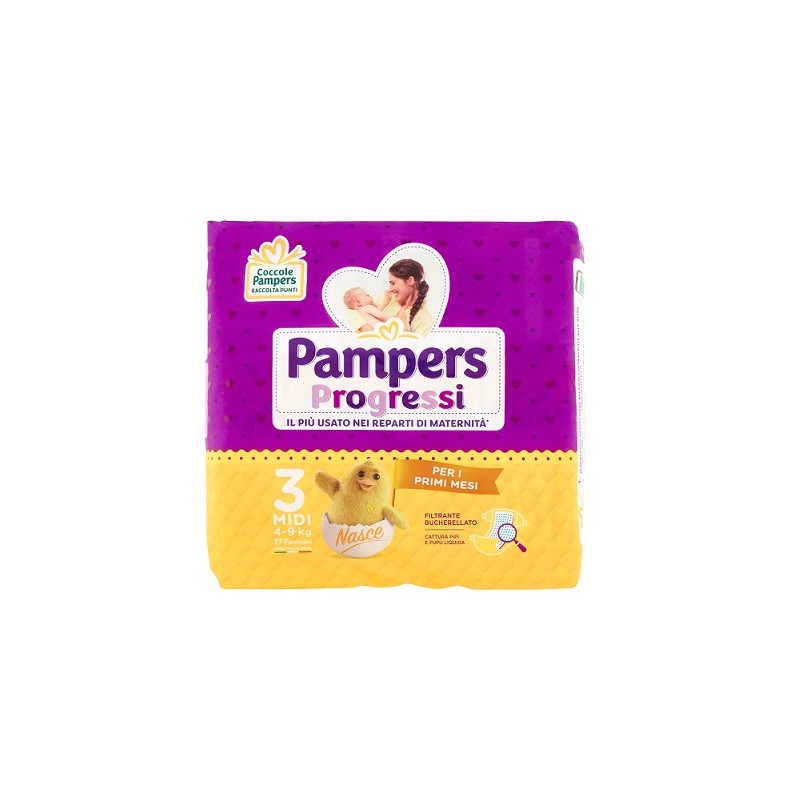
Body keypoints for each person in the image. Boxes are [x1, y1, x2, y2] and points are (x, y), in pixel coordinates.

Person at [382, 258, 434, 336]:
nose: (390, 289)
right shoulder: (388, 298)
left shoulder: (425, 321)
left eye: (393, 283)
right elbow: (361, 314)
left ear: (410, 280)